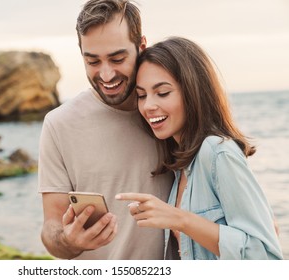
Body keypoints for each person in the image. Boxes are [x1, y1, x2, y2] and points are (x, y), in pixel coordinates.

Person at [116, 36, 284, 260]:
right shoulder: (181, 166)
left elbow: (265, 257)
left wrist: (180, 220)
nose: (148, 106)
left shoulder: (217, 152)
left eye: (163, 93)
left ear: (193, 91)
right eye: (141, 95)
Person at [38, 0, 173, 260]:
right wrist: (68, 240)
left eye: (117, 58)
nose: (107, 74)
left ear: (141, 47)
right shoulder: (59, 124)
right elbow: (51, 227)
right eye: (93, 61)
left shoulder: (169, 112)